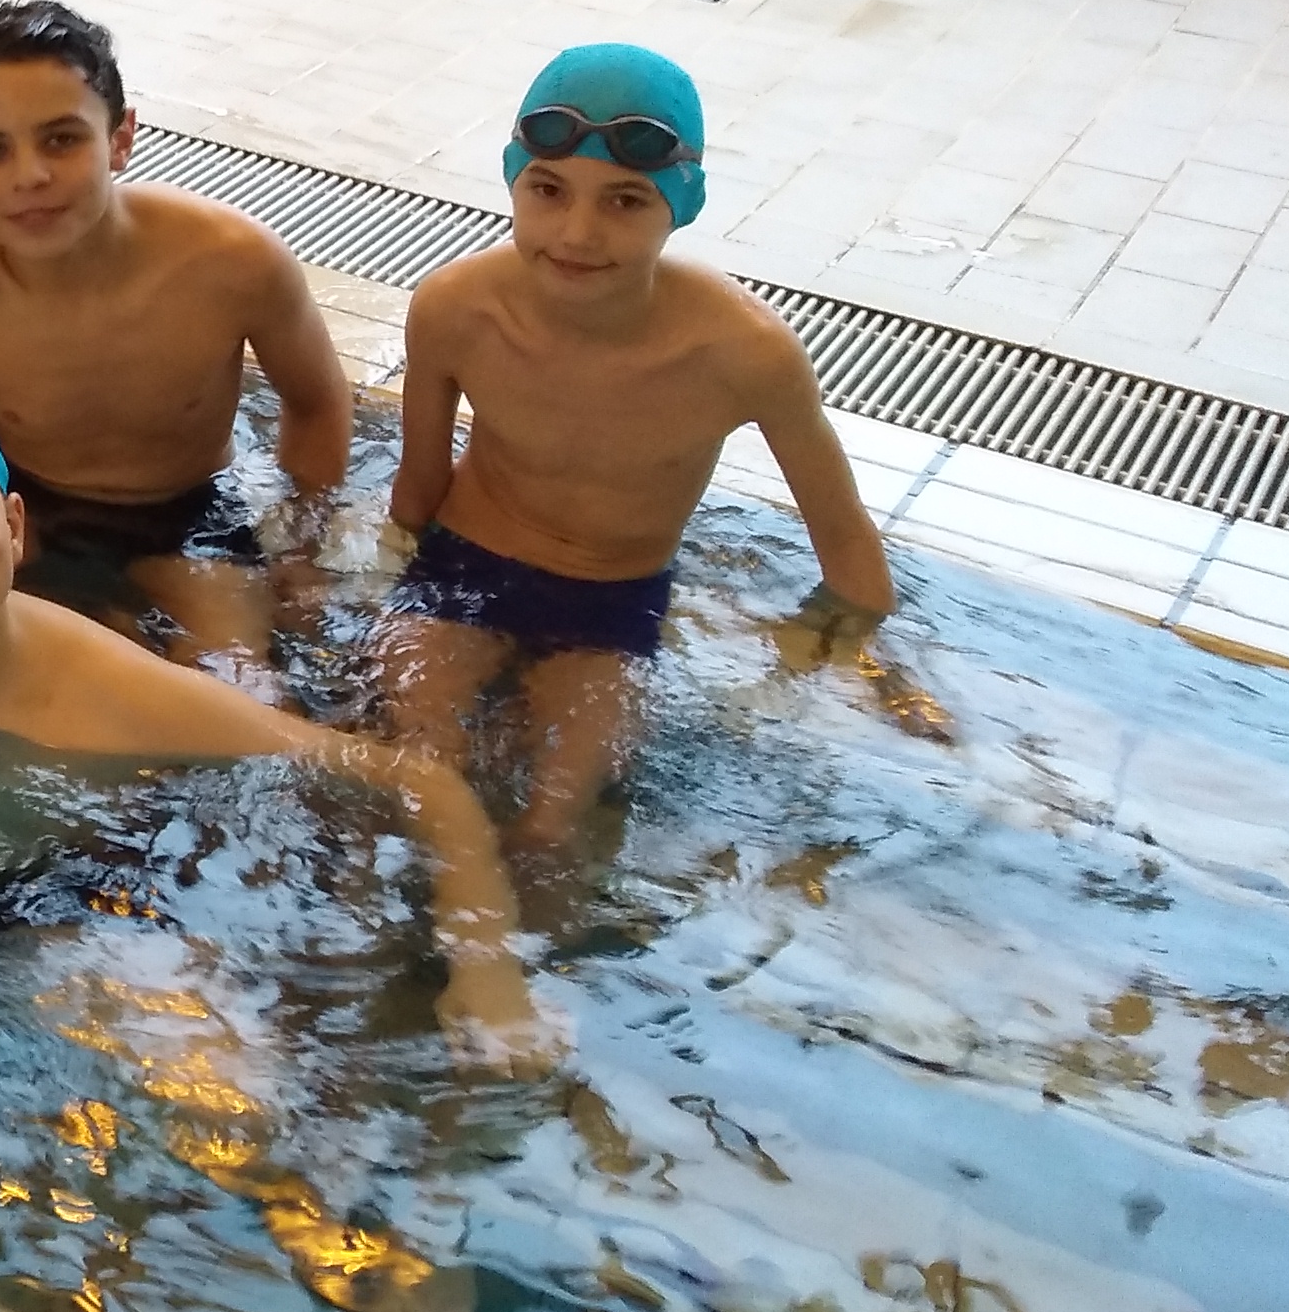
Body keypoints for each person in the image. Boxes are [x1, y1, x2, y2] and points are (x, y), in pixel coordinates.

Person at [0, 384, 548, 1075]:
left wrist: (488, 968)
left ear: (15, 526)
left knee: (231, 1098)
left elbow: (418, 780)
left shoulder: (120, 693)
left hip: (53, 907)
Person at [376, 44, 900, 853]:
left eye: (625, 201)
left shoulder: (744, 353)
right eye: (548, 190)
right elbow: (416, 493)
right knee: (419, 781)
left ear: (681, 206)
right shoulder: (456, 307)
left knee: (555, 825)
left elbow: (846, 543)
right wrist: (365, 580)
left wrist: (870, 667)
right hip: (463, 571)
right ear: (513, 181)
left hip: (612, 604)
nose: (577, 233)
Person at [0, 1, 348, 678]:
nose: (30, 176)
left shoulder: (231, 261)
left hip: (195, 516)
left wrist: (302, 551)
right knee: (13, 679)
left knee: (236, 684)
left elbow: (317, 402)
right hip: (32, 515)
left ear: (120, 138)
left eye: (61, 140)